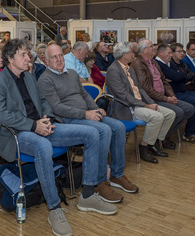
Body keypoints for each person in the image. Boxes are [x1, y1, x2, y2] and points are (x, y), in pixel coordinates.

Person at [0, 38, 117, 236]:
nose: (28, 56)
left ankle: (88, 194)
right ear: (9, 58)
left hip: (42, 126)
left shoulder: (29, 77)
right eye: (23, 54)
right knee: (43, 147)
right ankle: (54, 209)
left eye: (27, 53)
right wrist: (34, 125)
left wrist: (46, 119)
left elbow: (43, 101)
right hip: (18, 134)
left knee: (92, 133)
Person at [38, 43, 138, 198]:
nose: (58, 59)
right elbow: (57, 108)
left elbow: (84, 95)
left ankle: (117, 174)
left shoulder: (71, 73)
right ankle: (99, 181)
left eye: (60, 56)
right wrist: (86, 114)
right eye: (54, 57)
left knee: (118, 126)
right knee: (103, 130)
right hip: (67, 119)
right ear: (46, 60)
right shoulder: (45, 80)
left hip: (86, 113)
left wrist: (95, 108)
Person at [106, 42, 175, 163]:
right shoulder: (113, 70)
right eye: (131, 52)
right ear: (124, 54)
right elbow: (123, 95)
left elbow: (140, 89)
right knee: (157, 117)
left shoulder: (130, 68)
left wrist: (151, 102)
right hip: (127, 107)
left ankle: (153, 143)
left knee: (170, 114)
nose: (134, 54)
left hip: (139, 103)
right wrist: (146, 105)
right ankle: (144, 147)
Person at [131, 39, 195, 149]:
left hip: (163, 97)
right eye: (151, 46)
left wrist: (171, 95)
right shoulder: (138, 63)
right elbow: (145, 89)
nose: (154, 48)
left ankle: (163, 136)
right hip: (151, 99)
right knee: (178, 112)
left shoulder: (154, 62)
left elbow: (164, 81)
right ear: (145, 50)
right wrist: (166, 99)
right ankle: (159, 139)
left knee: (189, 108)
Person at [155, 44, 195, 144]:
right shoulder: (159, 64)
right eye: (169, 53)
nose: (171, 55)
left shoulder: (169, 63)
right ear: (161, 53)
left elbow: (188, 75)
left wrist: (180, 76)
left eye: (172, 53)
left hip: (181, 90)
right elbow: (176, 76)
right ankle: (189, 133)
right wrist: (182, 76)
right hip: (174, 93)